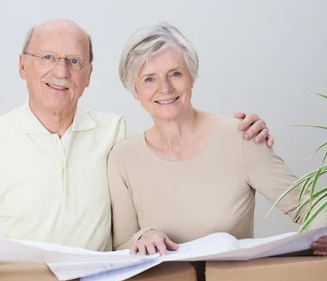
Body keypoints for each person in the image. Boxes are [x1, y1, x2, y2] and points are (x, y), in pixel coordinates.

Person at [0, 18, 274, 278]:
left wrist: (239, 134)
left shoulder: (117, 133)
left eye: (74, 61)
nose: (61, 71)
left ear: (88, 76)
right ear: (22, 66)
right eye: (47, 57)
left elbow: (176, 151)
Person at [107, 22, 327, 256]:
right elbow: (121, 247)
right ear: (134, 91)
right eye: (149, 79)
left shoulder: (241, 137)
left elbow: (311, 207)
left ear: (191, 77)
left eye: (175, 73)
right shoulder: (123, 159)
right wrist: (143, 237)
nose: (165, 88)